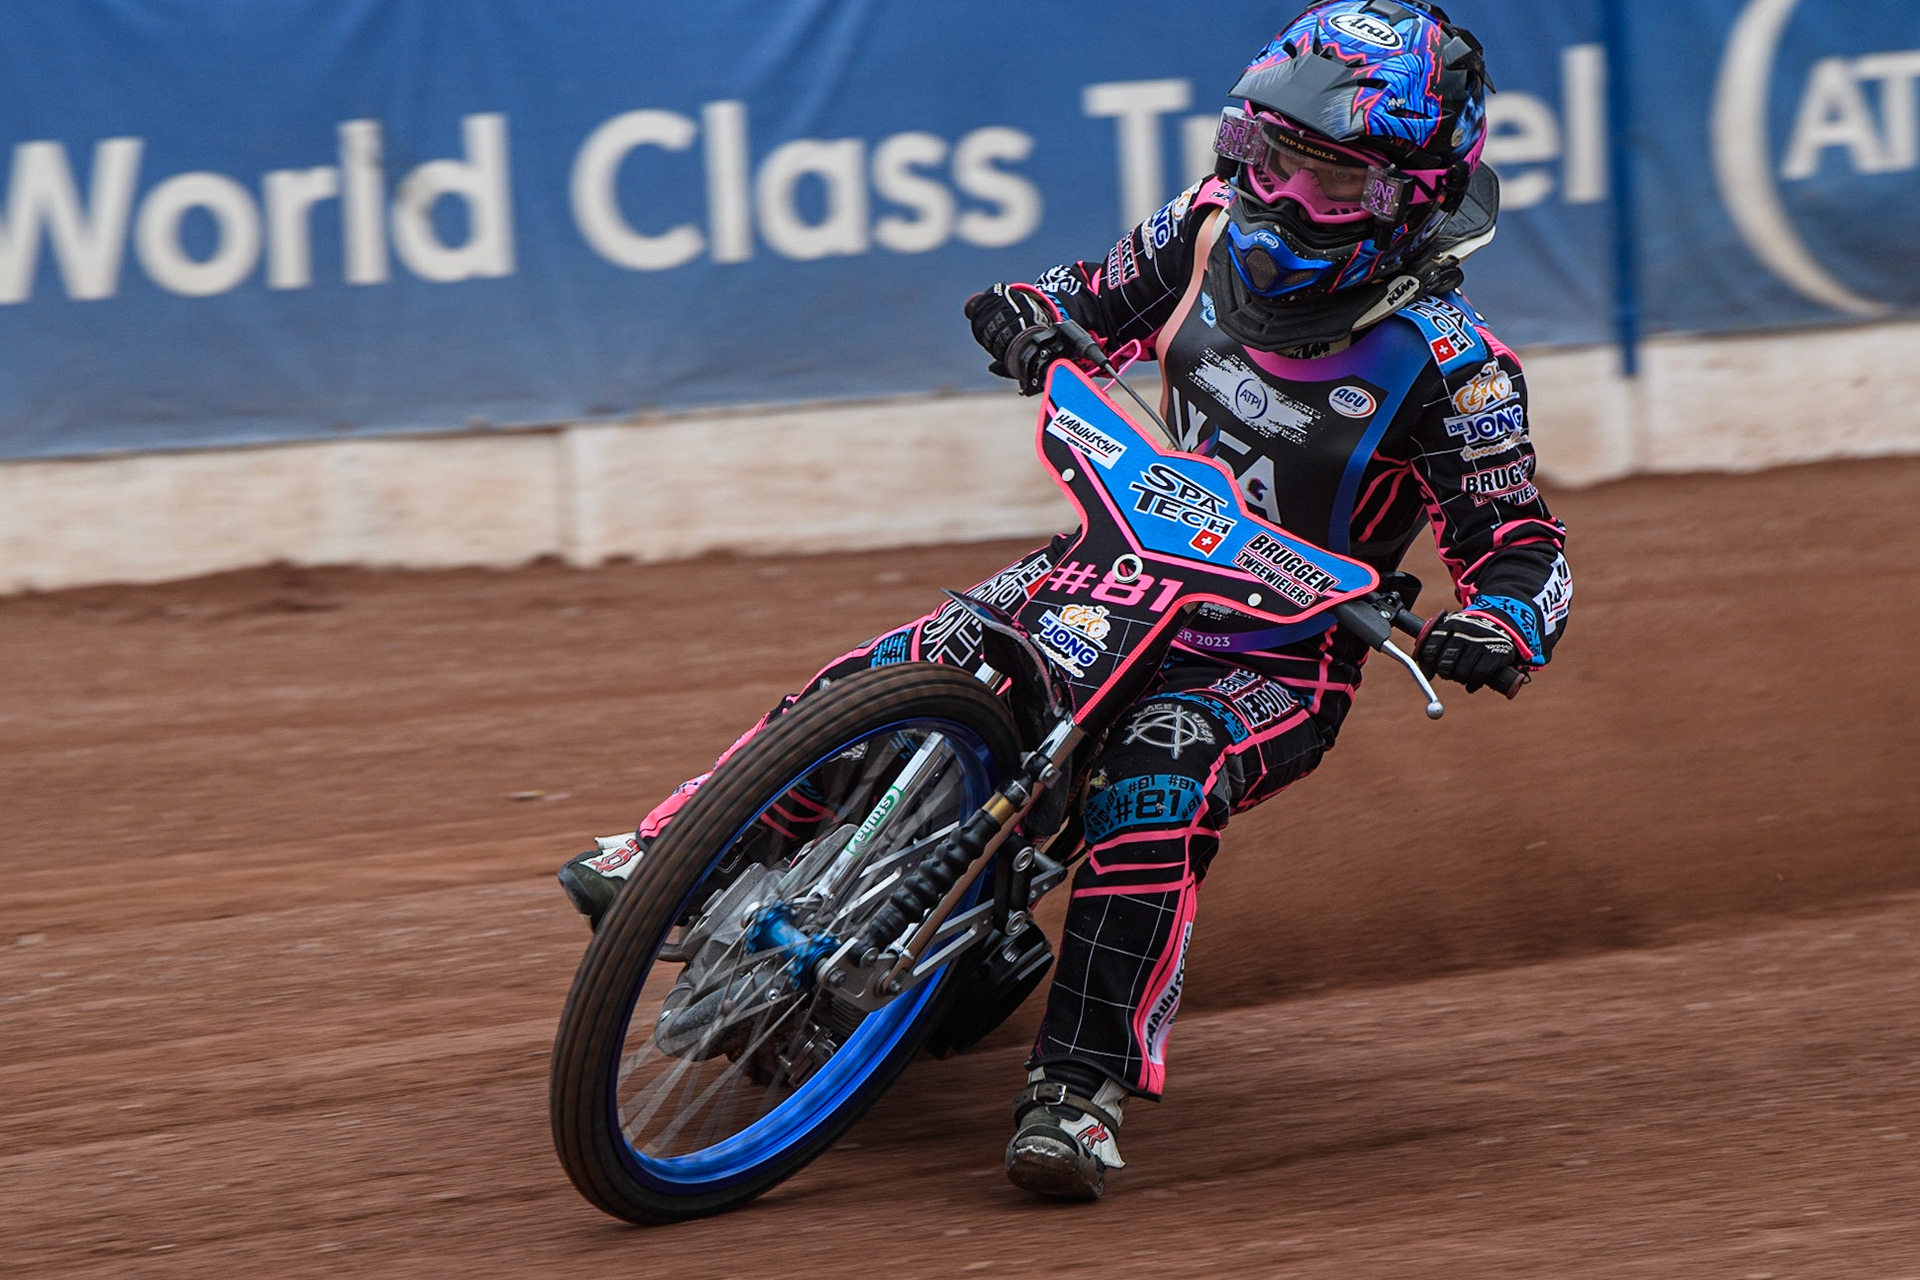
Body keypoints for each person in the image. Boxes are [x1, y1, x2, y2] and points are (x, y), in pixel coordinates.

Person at [560, 0, 1570, 1202]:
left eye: (1332, 181)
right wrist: (1033, 316)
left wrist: (1501, 620)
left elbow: (1522, 545)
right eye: (1270, 153)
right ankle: (679, 844)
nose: (1285, 196)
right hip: (1119, 557)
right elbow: (1088, 298)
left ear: (1414, 194)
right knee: (927, 652)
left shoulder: (1457, 369)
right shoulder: (1203, 226)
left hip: (1274, 652)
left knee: (1159, 771)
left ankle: (1076, 1089)